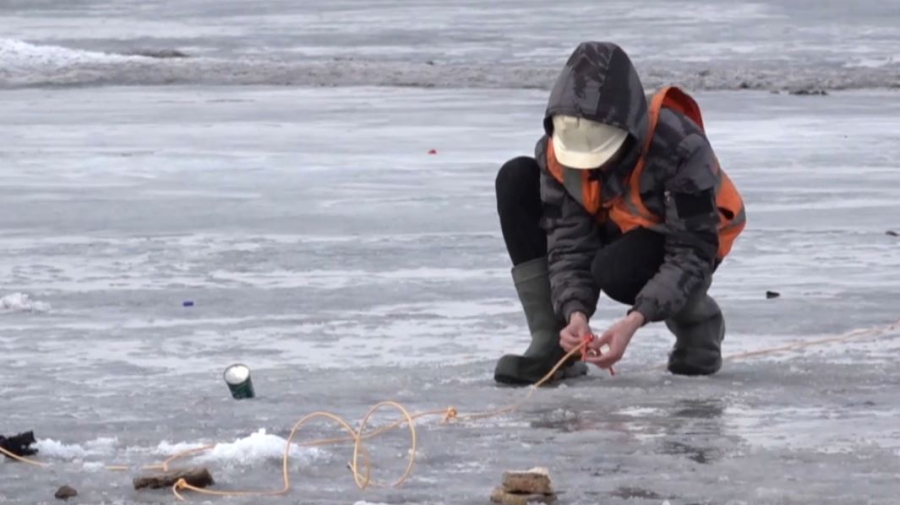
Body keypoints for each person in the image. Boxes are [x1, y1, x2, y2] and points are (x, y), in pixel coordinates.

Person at [493, 41, 746, 385]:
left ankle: (698, 323)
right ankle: (555, 343)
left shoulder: (681, 146)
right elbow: (568, 242)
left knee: (615, 270)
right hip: (613, 225)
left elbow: (691, 252)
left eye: (599, 157)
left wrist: (634, 320)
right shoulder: (558, 150)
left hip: (687, 240)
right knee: (517, 180)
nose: (589, 167)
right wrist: (574, 312)